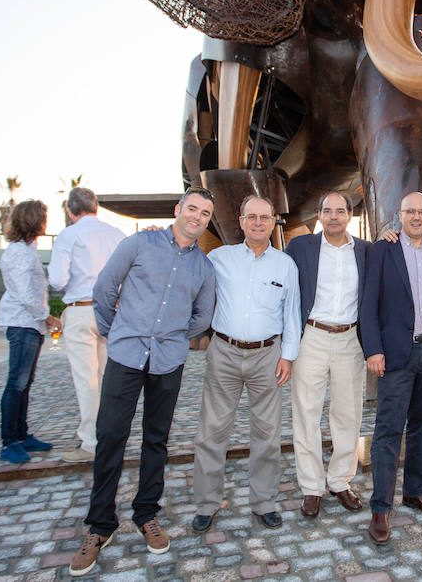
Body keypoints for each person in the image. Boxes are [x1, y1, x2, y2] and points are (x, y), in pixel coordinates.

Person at [70, 188, 216, 577]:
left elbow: (203, 316)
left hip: (168, 361)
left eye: (204, 213)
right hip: (125, 355)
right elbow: (104, 289)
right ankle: (100, 526)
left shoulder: (203, 267)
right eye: (192, 209)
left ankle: (146, 513)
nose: (197, 217)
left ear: (207, 220)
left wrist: (174, 336)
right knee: (111, 436)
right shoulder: (138, 243)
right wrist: (114, 331)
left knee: (156, 440)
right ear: (178, 210)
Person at [191, 195, 300, 533]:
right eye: (250, 217)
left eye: (264, 217)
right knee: (212, 433)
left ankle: (264, 502)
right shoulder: (217, 258)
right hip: (224, 352)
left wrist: (288, 355)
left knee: (266, 435)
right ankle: (207, 504)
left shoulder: (285, 265)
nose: (257, 223)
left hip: (268, 356)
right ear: (240, 221)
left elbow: (292, 314)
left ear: (273, 222)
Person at [361, 192, 422, 545]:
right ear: (398, 216)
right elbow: (368, 306)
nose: (416, 216)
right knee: (388, 431)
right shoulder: (381, 251)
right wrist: (372, 350)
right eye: (409, 211)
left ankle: (416, 491)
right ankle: (381, 507)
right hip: (395, 356)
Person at [285, 192, 371, 518]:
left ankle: (339, 481)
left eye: (339, 211)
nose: (333, 216)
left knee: (348, 414)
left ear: (350, 215)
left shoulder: (366, 251)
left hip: (350, 338)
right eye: (327, 210)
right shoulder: (300, 248)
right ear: (319, 215)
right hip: (312, 337)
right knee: (306, 413)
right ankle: (311, 487)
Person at [47, 187, 125, 463]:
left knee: (86, 378)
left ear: (70, 210)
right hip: (114, 310)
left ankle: (91, 442)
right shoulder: (116, 235)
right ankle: (109, 434)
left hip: (81, 309)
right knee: (108, 378)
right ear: (96, 207)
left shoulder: (69, 235)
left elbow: (57, 279)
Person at [0, 200, 61, 464]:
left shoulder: (26, 249)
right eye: (44, 218)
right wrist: (47, 317)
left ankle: (22, 436)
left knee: (25, 383)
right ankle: (9, 442)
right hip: (23, 323)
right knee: (17, 383)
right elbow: (26, 294)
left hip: (29, 324)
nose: (47, 222)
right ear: (35, 221)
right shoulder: (20, 254)